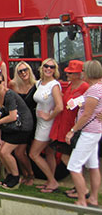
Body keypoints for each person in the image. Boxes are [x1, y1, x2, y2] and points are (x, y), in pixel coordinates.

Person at [50, 60, 89, 198]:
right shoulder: (72, 85)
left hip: (74, 127)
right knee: (69, 158)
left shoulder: (85, 87)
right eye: (68, 72)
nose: (68, 75)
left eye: (71, 73)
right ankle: (78, 186)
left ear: (79, 74)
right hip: (64, 125)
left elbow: (88, 108)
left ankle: (82, 189)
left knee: (71, 159)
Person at [66, 60, 102, 207]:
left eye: (84, 71)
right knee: (93, 165)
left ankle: (82, 199)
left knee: (74, 166)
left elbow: (87, 114)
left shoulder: (94, 90)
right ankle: (93, 198)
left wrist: (73, 130)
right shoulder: (98, 87)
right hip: (95, 131)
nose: (82, 74)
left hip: (89, 131)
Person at [0, 72, 34, 190]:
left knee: (5, 151)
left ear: (3, 83)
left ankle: (16, 178)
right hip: (10, 127)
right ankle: (10, 175)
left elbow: (13, 116)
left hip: (22, 127)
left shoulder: (9, 95)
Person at [29, 58, 63, 193]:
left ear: (55, 70)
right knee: (49, 153)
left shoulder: (54, 85)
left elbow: (59, 106)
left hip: (47, 125)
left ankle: (53, 181)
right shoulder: (40, 83)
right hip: (40, 122)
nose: (49, 69)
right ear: (42, 68)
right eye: (46, 66)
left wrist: (48, 116)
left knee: (34, 153)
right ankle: (50, 181)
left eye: (52, 67)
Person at [8, 61, 36, 185]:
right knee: (19, 152)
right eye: (20, 71)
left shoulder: (36, 85)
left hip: (34, 120)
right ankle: (27, 174)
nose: (23, 73)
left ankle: (29, 174)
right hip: (20, 121)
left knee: (25, 151)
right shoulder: (13, 84)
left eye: (26, 70)